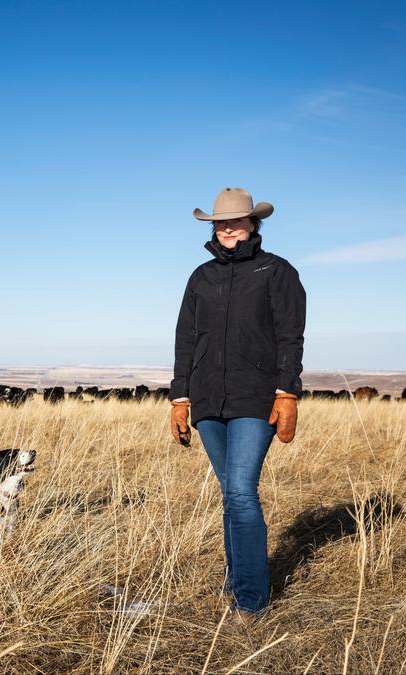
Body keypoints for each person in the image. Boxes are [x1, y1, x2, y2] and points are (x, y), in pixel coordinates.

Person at [169, 187, 305, 618]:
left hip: (256, 399)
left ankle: (251, 601)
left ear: (253, 224)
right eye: (220, 222)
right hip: (209, 401)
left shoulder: (276, 271)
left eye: (236, 221)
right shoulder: (201, 277)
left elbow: (290, 336)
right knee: (230, 494)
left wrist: (287, 392)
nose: (227, 228)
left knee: (243, 493)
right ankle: (238, 579)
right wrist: (179, 396)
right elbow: (185, 340)